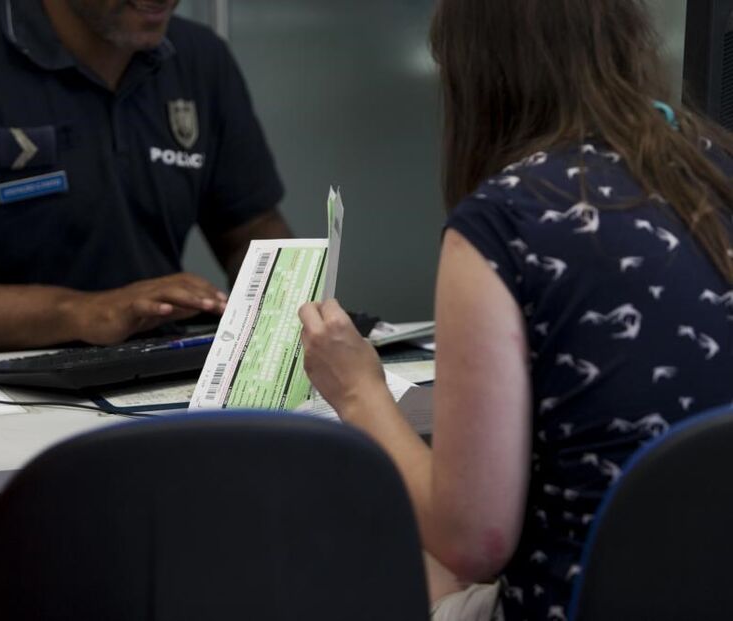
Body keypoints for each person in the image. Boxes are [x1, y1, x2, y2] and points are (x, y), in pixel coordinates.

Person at [299, 1, 733, 620]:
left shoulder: (505, 221)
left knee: (360, 546)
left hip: (576, 604)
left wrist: (358, 389)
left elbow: (474, 540)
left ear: (474, 74)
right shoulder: (716, 168)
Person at [0, 0, 291, 356]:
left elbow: (251, 227)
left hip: (153, 374)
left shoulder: (200, 59)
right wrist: (80, 313)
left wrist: (297, 317)